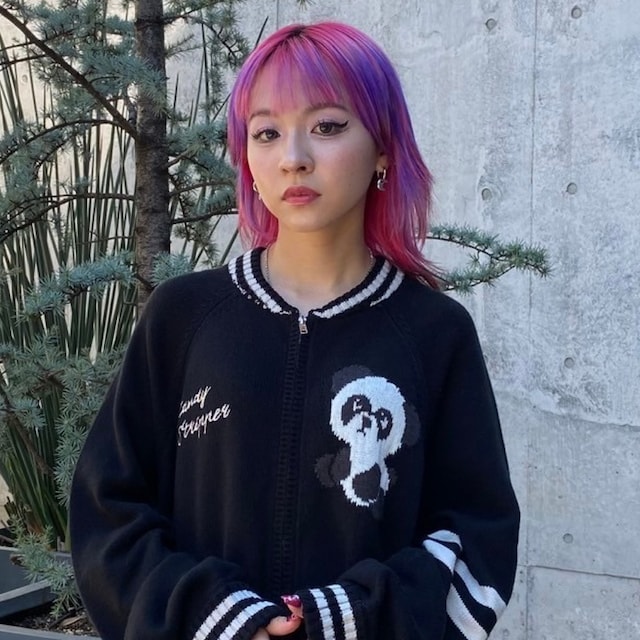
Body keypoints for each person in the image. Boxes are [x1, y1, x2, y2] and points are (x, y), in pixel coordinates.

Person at [70, 21, 519, 640]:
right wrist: (222, 618)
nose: (294, 157)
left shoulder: (434, 333)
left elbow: (477, 539)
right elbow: (108, 513)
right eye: (267, 132)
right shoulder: (183, 317)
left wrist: (341, 620)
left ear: (383, 148)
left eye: (327, 126)